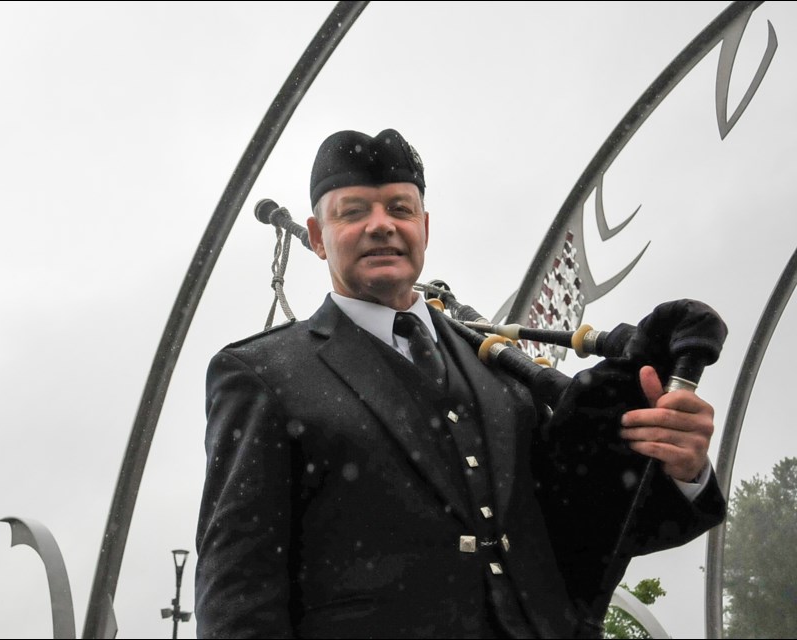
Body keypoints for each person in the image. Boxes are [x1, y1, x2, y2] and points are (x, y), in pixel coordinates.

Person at [194, 128, 726, 639]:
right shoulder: (264, 376)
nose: (382, 225)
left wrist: (681, 466)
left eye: (400, 209)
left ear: (424, 227)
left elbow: (584, 529)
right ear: (316, 237)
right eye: (353, 212)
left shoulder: (498, 366)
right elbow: (239, 596)